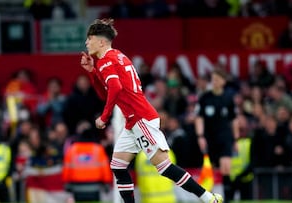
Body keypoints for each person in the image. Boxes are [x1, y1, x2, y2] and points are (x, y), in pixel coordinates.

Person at [80, 18, 223, 203]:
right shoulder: (116, 57)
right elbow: (105, 93)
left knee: (164, 167)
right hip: (133, 122)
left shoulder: (108, 60)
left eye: (89, 38)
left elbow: (115, 88)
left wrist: (105, 116)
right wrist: (92, 71)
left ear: (101, 41)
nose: (86, 42)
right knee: (117, 166)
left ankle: (208, 198)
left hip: (141, 119)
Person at [195, 69, 239, 203]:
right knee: (211, 170)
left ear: (223, 82)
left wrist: (236, 139)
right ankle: (211, 198)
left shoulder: (228, 98)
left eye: (218, 79)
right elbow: (199, 118)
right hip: (210, 138)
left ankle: (228, 198)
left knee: (226, 167)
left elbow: (234, 120)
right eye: (213, 79)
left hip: (225, 138)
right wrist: (200, 136)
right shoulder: (205, 98)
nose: (215, 82)